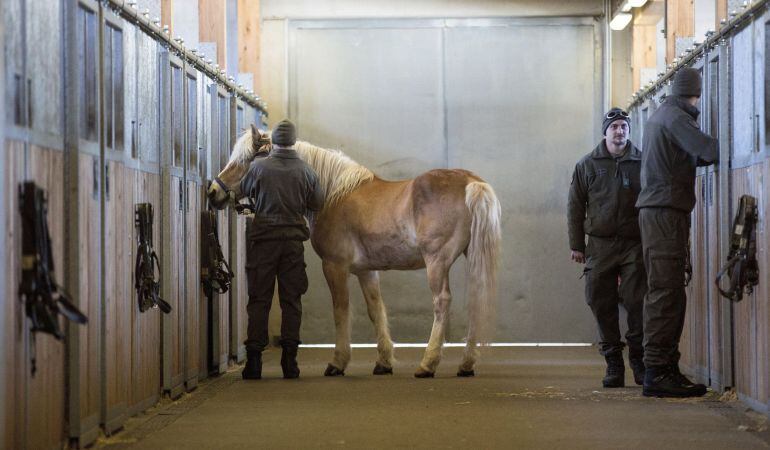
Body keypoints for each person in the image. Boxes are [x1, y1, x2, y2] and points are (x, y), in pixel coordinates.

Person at [636, 68, 719, 397]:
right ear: (695, 93)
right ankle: (658, 371)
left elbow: (681, 158)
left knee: (665, 291)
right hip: (664, 214)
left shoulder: (662, 116)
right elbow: (710, 150)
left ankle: (663, 367)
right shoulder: (676, 117)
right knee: (666, 293)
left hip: (660, 212)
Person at [239, 119, 324, 380]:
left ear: (273, 141)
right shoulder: (307, 171)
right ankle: (290, 363)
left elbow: (243, 192)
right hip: (292, 246)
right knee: (292, 302)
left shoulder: (258, 167)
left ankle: (254, 364)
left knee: (259, 301)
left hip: (263, 242)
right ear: (294, 142)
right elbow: (317, 203)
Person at [568, 108, 647, 388]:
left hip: (634, 243)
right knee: (600, 300)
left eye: (624, 126)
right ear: (605, 131)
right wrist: (577, 245)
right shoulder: (587, 165)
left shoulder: (642, 161)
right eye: (614, 126)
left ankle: (639, 361)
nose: (619, 131)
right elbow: (575, 207)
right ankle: (614, 363)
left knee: (637, 301)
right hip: (600, 245)